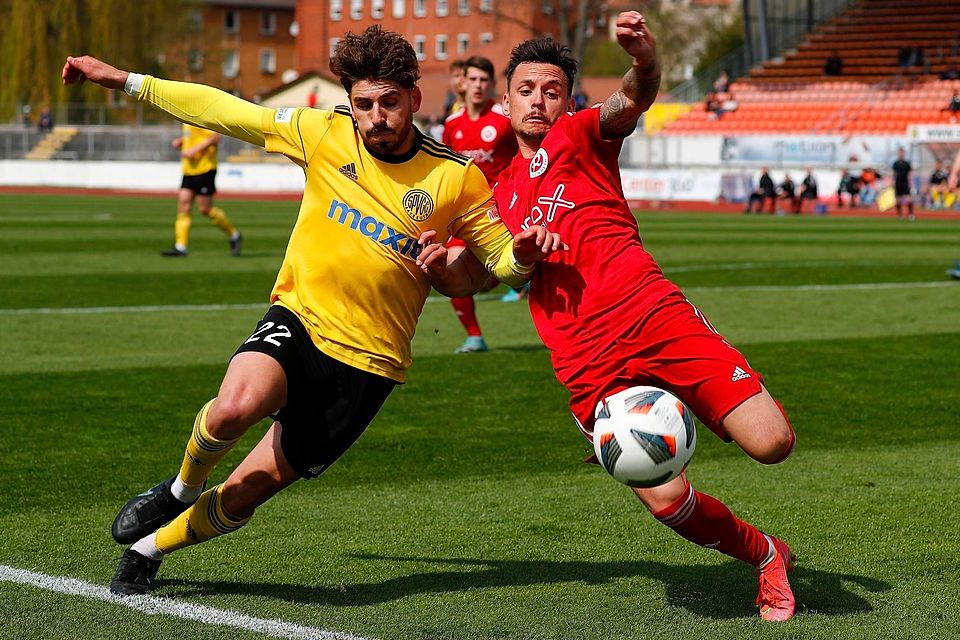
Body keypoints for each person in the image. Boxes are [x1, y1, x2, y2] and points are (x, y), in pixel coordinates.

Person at [62, 25, 559, 596]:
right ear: (350, 102)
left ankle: (152, 549)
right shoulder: (321, 132)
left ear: (414, 100)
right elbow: (226, 111)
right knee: (231, 409)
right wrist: (127, 81)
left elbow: (491, 264)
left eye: (390, 103)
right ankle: (178, 489)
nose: (377, 117)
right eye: (364, 104)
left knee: (249, 491)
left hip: (369, 366)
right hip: (301, 320)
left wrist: (512, 258)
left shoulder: (456, 177)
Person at [422, 13, 798, 622]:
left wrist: (646, 62)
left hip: (651, 314)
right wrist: (445, 271)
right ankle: (766, 556)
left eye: (551, 90)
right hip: (586, 362)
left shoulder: (582, 134)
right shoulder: (490, 191)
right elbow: (477, 276)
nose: (539, 102)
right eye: (526, 90)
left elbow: (630, 100)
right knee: (666, 499)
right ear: (507, 100)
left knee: (773, 442)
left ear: (566, 98)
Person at [442, 55, 519, 353]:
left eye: (484, 80)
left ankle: (515, 279)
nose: (478, 85)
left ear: (491, 85)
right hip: (467, 212)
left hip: (504, 210)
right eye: (473, 79)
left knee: (489, 278)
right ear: (463, 82)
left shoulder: (503, 119)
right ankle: (474, 336)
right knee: (452, 270)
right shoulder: (452, 125)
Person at [163, 123, 243, 257]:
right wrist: (181, 142)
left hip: (205, 169)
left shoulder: (202, 117)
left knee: (205, 209)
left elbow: (215, 138)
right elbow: (195, 137)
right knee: (183, 206)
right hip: (189, 169)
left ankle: (234, 235)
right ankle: (180, 246)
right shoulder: (185, 118)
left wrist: (193, 150)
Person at [891, 147, 914, 221]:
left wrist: (911, 183)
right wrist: (893, 182)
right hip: (898, 183)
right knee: (897, 200)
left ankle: (910, 215)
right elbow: (894, 174)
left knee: (909, 199)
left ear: (904, 153)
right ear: (898, 153)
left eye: (902, 152)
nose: (901, 154)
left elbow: (910, 174)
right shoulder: (895, 163)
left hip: (905, 183)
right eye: (900, 152)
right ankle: (899, 215)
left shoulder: (907, 163)